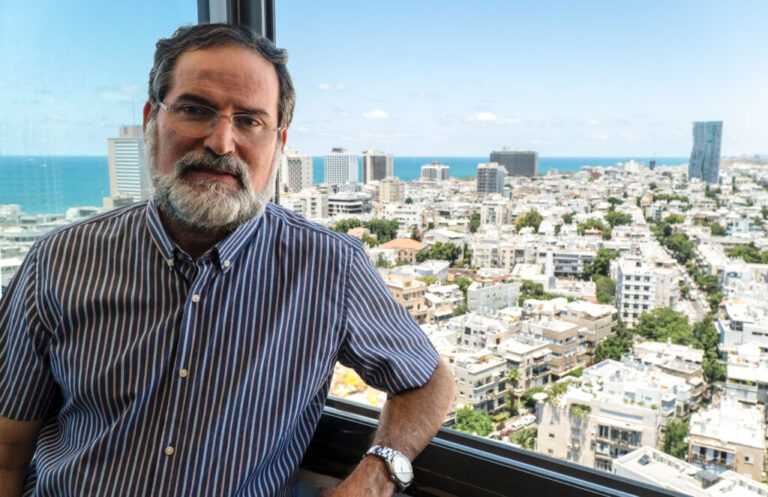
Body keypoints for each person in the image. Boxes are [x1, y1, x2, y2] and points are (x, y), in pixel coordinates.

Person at [0, 23, 455, 497]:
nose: (220, 143)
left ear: (278, 143)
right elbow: (7, 450)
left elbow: (429, 381)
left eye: (250, 121)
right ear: (151, 119)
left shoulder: (328, 267)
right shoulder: (60, 260)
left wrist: (375, 478)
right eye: (195, 110)